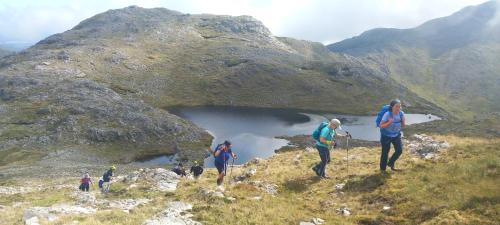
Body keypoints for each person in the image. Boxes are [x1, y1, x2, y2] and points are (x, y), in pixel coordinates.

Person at [379, 99, 405, 172]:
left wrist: (403, 122)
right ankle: (382, 170)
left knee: (399, 150)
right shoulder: (387, 114)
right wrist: (389, 122)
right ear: (392, 107)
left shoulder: (401, 113)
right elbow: (381, 125)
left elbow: (403, 125)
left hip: (396, 135)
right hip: (386, 136)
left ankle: (390, 163)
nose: (398, 108)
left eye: (399, 106)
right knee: (385, 153)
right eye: (396, 106)